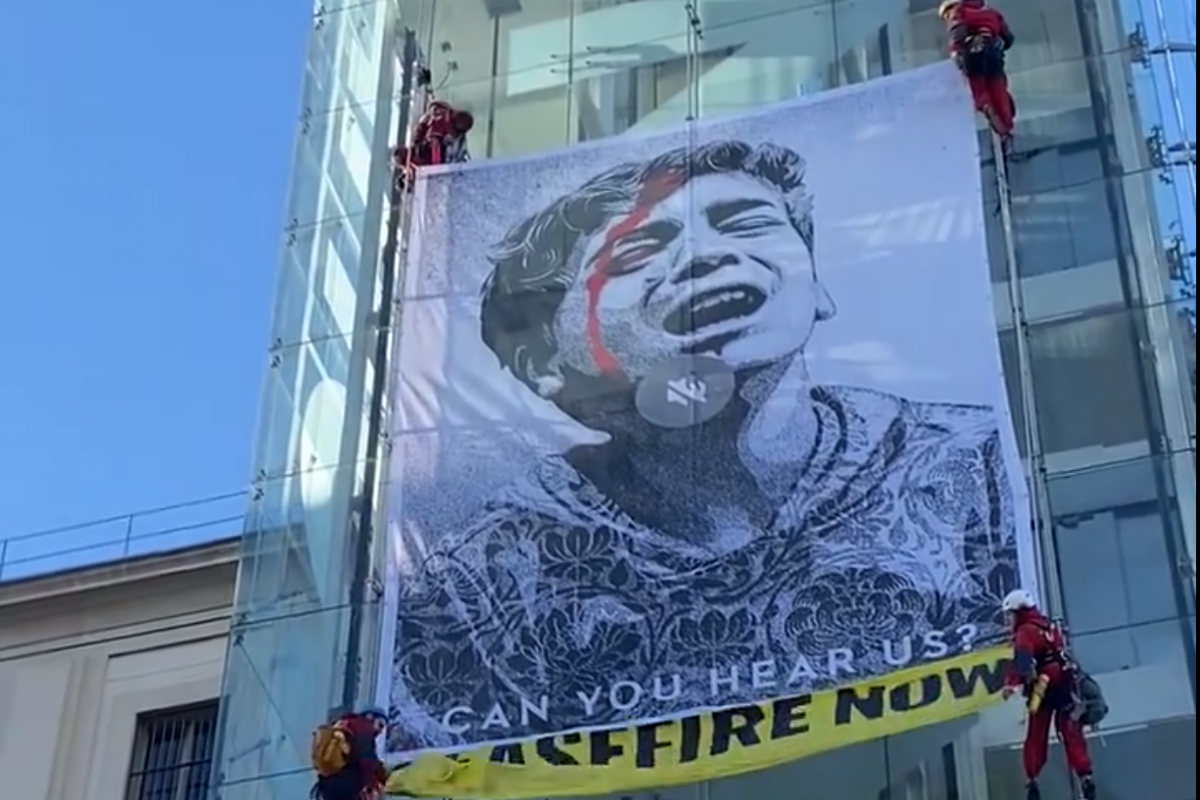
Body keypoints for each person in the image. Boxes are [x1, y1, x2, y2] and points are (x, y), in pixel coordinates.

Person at [385, 140, 1023, 751]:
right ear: (545, 362)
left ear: (818, 286)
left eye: (745, 224)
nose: (704, 257)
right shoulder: (474, 588)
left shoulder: (977, 467)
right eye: (635, 254)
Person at [1000, 589, 1096, 800]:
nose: (1007, 620)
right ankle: (1085, 776)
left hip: (1041, 688)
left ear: (1018, 612)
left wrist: (1011, 685)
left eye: (1009, 615)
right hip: (1064, 684)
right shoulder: (1048, 626)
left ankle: (1032, 782)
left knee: (1036, 733)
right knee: (1071, 732)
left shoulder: (1025, 631)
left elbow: (1023, 662)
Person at [939, 0, 1016, 142]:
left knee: (978, 87)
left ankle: (985, 105)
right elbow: (1009, 38)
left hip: (974, 50)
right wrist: (999, 41)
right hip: (993, 51)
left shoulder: (959, 11)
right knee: (998, 87)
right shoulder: (992, 13)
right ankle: (1006, 122)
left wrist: (956, 53)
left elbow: (957, 32)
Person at [391, 100, 474, 191]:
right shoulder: (419, 173)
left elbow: (420, 132)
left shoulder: (417, 146)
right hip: (442, 157)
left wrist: (425, 123)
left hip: (438, 145)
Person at [311, 705, 390, 800]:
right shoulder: (363, 727)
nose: (381, 731)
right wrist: (380, 778)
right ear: (370, 717)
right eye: (380, 724)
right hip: (346, 786)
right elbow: (367, 760)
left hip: (327, 785)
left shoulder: (345, 725)